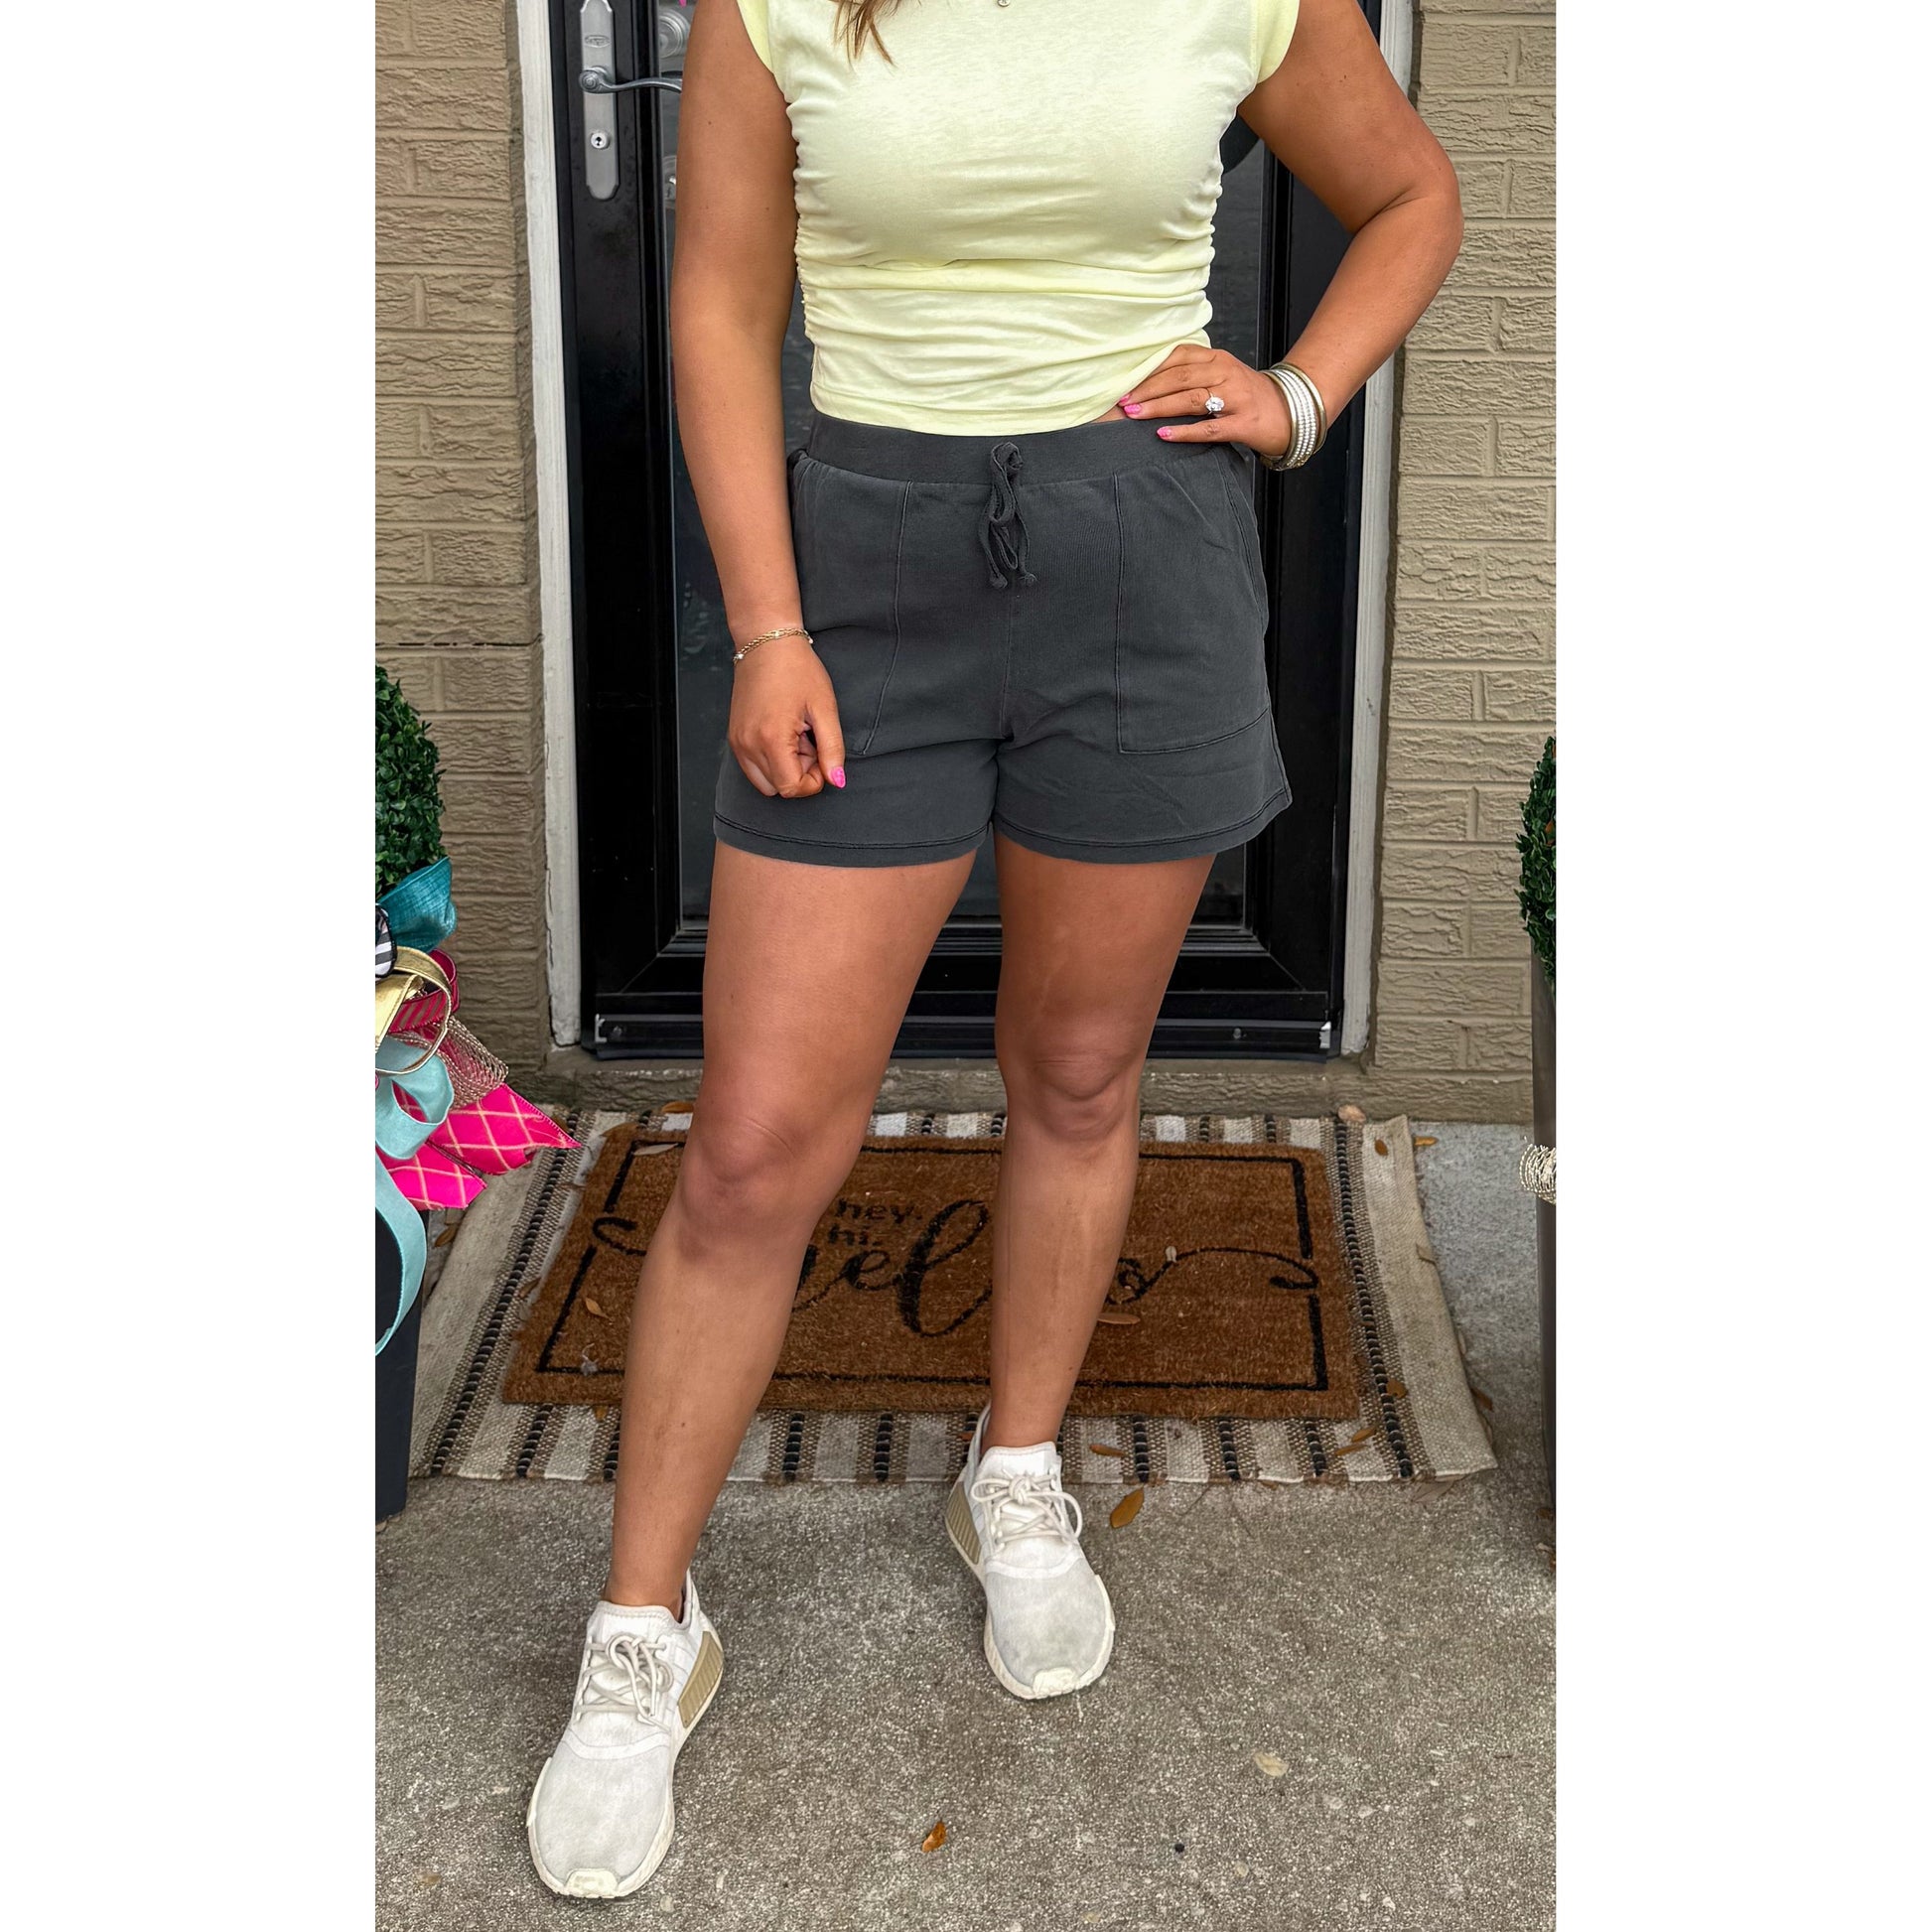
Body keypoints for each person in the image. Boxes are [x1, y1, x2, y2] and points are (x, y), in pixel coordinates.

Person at [526, 0, 1462, 1897]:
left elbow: (1411, 198)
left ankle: (1013, 1474)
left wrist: (1296, 395)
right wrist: (768, 626)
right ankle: (642, 1625)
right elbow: (719, 305)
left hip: (1142, 551)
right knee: (752, 1145)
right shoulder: (772, 7)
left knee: (1082, 1073)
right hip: (862, 568)